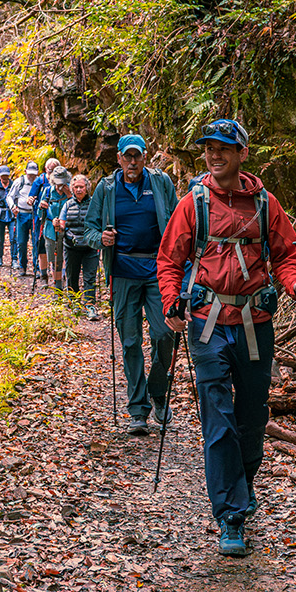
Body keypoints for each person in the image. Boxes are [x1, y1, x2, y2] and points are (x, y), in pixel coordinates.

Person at [159, 119, 296, 557]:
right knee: (217, 418)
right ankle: (230, 515)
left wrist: (295, 285)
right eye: (209, 148)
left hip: (255, 323)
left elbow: (286, 254)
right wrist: (172, 302)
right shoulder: (194, 203)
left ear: (242, 153)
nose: (214, 155)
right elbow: (170, 259)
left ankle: (243, 482)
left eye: (224, 148)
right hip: (207, 324)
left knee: (251, 416)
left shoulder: (265, 204)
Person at [80, 135, 179, 436]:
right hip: (122, 271)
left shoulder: (161, 183)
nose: (132, 162)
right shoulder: (106, 189)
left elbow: (178, 223)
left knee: (165, 334)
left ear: (144, 157)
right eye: (127, 157)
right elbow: (89, 228)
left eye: (137, 156)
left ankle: (158, 392)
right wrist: (102, 240)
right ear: (120, 159)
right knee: (130, 341)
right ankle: (138, 409)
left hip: (157, 269)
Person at [57, 173, 98, 320]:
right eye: (76, 187)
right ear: (72, 189)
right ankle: (74, 302)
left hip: (90, 247)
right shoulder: (67, 204)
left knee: (90, 277)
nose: (79, 190)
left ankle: (90, 306)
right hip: (71, 246)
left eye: (82, 187)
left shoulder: (94, 204)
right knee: (72, 276)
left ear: (87, 188)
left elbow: (99, 222)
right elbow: (62, 224)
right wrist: (58, 226)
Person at [6, 162, 41, 276]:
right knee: (21, 242)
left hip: (35, 215)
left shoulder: (40, 182)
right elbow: (10, 197)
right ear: (25, 172)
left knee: (36, 241)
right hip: (22, 214)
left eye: (34, 174)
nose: (31, 176)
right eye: (30, 174)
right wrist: (12, 207)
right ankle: (22, 266)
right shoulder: (19, 182)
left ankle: (37, 268)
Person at [43, 165, 72, 288]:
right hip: (51, 230)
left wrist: (69, 195)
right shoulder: (48, 191)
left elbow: (77, 209)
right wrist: (42, 207)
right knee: (55, 261)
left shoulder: (70, 191)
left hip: (67, 230)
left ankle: (68, 284)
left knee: (66, 258)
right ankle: (57, 286)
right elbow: (41, 213)